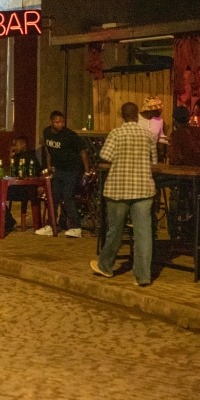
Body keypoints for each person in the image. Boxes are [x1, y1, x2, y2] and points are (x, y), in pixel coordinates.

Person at [91, 102, 157, 287]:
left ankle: (106, 266)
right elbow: (154, 161)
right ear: (137, 116)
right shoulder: (149, 135)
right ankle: (143, 276)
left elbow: (106, 155)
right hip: (143, 188)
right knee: (143, 234)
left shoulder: (116, 134)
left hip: (118, 188)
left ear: (122, 115)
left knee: (115, 230)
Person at [40, 110, 89, 238]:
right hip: (58, 169)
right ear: (51, 122)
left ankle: (76, 227)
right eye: (57, 122)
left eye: (62, 122)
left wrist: (87, 170)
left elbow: (82, 151)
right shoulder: (46, 132)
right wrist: (49, 165)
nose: (60, 124)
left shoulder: (69, 135)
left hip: (72, 170)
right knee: (54, 197)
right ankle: (51, 225)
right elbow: (48, 150)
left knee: (68, 197)